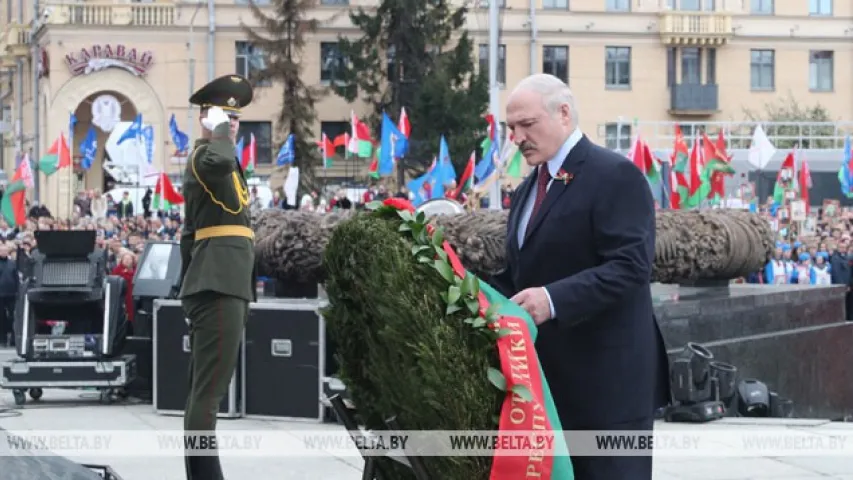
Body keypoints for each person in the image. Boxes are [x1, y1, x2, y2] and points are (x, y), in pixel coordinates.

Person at [491, 74, 670, 480]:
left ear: (564, 114)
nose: (517, 137)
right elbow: (521, 277)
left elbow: (630, 267)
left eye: (527, 124)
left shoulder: (615, 175)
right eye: (511, 128)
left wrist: (551, 300)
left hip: (610, 388)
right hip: (552, 385)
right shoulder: (526, 190)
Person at [179, 74, 256, 480]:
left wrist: (186, 283)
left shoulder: (221, 162)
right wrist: (219, 130)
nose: (233, 122)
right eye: (226, 114)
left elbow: (188, 233)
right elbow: (222, 158)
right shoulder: (207, 157)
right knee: (208, 395)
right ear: (207, 117)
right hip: (219, 284)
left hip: (220, 281)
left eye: (237, 116)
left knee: (204, 392)